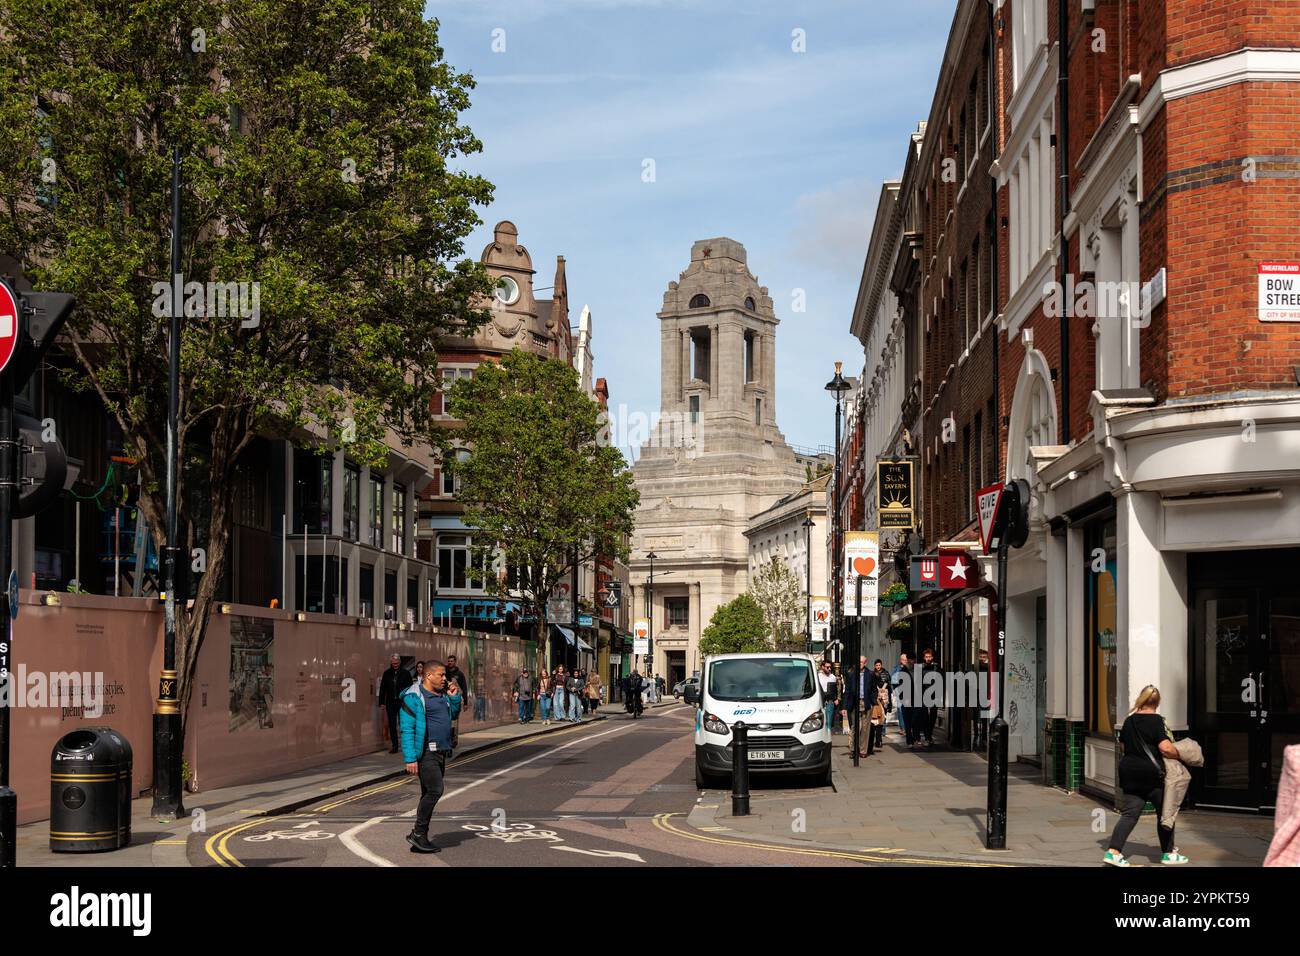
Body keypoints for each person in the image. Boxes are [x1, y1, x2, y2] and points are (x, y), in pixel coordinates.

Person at [1103, 686, 1188, 866]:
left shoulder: (1129, 721)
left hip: (1129, 771)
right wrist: (1179, 754)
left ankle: (1113, 852)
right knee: (1165, 814)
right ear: (1157, 703)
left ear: (1141, 700)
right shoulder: (1157, 721)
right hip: (1152, 774)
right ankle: (1169, 853)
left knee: (1129, 814)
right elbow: (1165, 747)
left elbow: (1123, 747)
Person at [399, 660, 463, 854]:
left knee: (428, 793)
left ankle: (420, 837)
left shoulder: (442, 694)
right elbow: (407, 729)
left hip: (441, 752)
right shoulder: (414, 697)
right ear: (428, 676)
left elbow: (453, 714)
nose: (445, 679)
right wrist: (410, 758)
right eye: (441, 675)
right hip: (426, 752)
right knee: (436, 790)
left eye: (445, 676)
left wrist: (454, 698)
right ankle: (418, 833)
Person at [378, 654, 414, 753]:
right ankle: (395, 746)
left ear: (400, 662)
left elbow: (410, 688)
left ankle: (406, 745)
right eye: (393, 663)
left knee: (403, 724)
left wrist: (410, 702)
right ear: (391, 662)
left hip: (402, 702)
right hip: (390, 702)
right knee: (392, 725)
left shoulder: (406, 673)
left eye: (397, 663)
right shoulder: (387, 673)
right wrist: (381, 702)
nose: (395, 665)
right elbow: (383, 689)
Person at [918, 649, 943, 749]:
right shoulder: (920, 668)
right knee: (924, 717)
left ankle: (929, 735)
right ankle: (928, 737)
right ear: (924, 658)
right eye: (926, 657)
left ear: (932, 657)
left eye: (929, 656)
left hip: (934, 695)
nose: (928, 658)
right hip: (923, 695)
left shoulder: (937, 668)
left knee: (933, 716)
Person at [973, 649, 991, 752]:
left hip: (984, 693)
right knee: (976, 715)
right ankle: (976, 734)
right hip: (976, 693)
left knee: (984, 716)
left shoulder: (988, 668)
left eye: (984, 657)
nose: (982, 659)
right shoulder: (975, 668)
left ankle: (983, 736)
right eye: (981, 657)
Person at [871, 659, 890, 749]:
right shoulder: (872, 674)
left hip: (884, 699)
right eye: (877, 665)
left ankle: (879, 738)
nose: (878, 667)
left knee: (882, 719)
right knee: (876, 720)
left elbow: (888, 684)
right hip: (876, 700)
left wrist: (883, 688)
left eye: (879, 665)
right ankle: (877, 739)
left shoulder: (886, 673)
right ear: (875, 666)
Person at [891, 653, 911, 742]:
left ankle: (908, 728)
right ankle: (903, 728)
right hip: (899, 691)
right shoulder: (897, 668)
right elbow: (893, 680)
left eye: (906, 660)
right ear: (900, 660)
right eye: (903, 660)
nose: (905, 661)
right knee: (900, 710)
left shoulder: (910, 668)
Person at [817, 660, 838, 735]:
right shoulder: (817, 676)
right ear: (822, 667)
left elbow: (836, 690)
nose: (829, 669)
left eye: (830, 667)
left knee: (828, 722)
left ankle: (828, 738)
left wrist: (836, 698)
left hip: (830, 701)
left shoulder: (833, 677)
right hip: (819, 701)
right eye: (827, 667)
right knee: (819, 722)